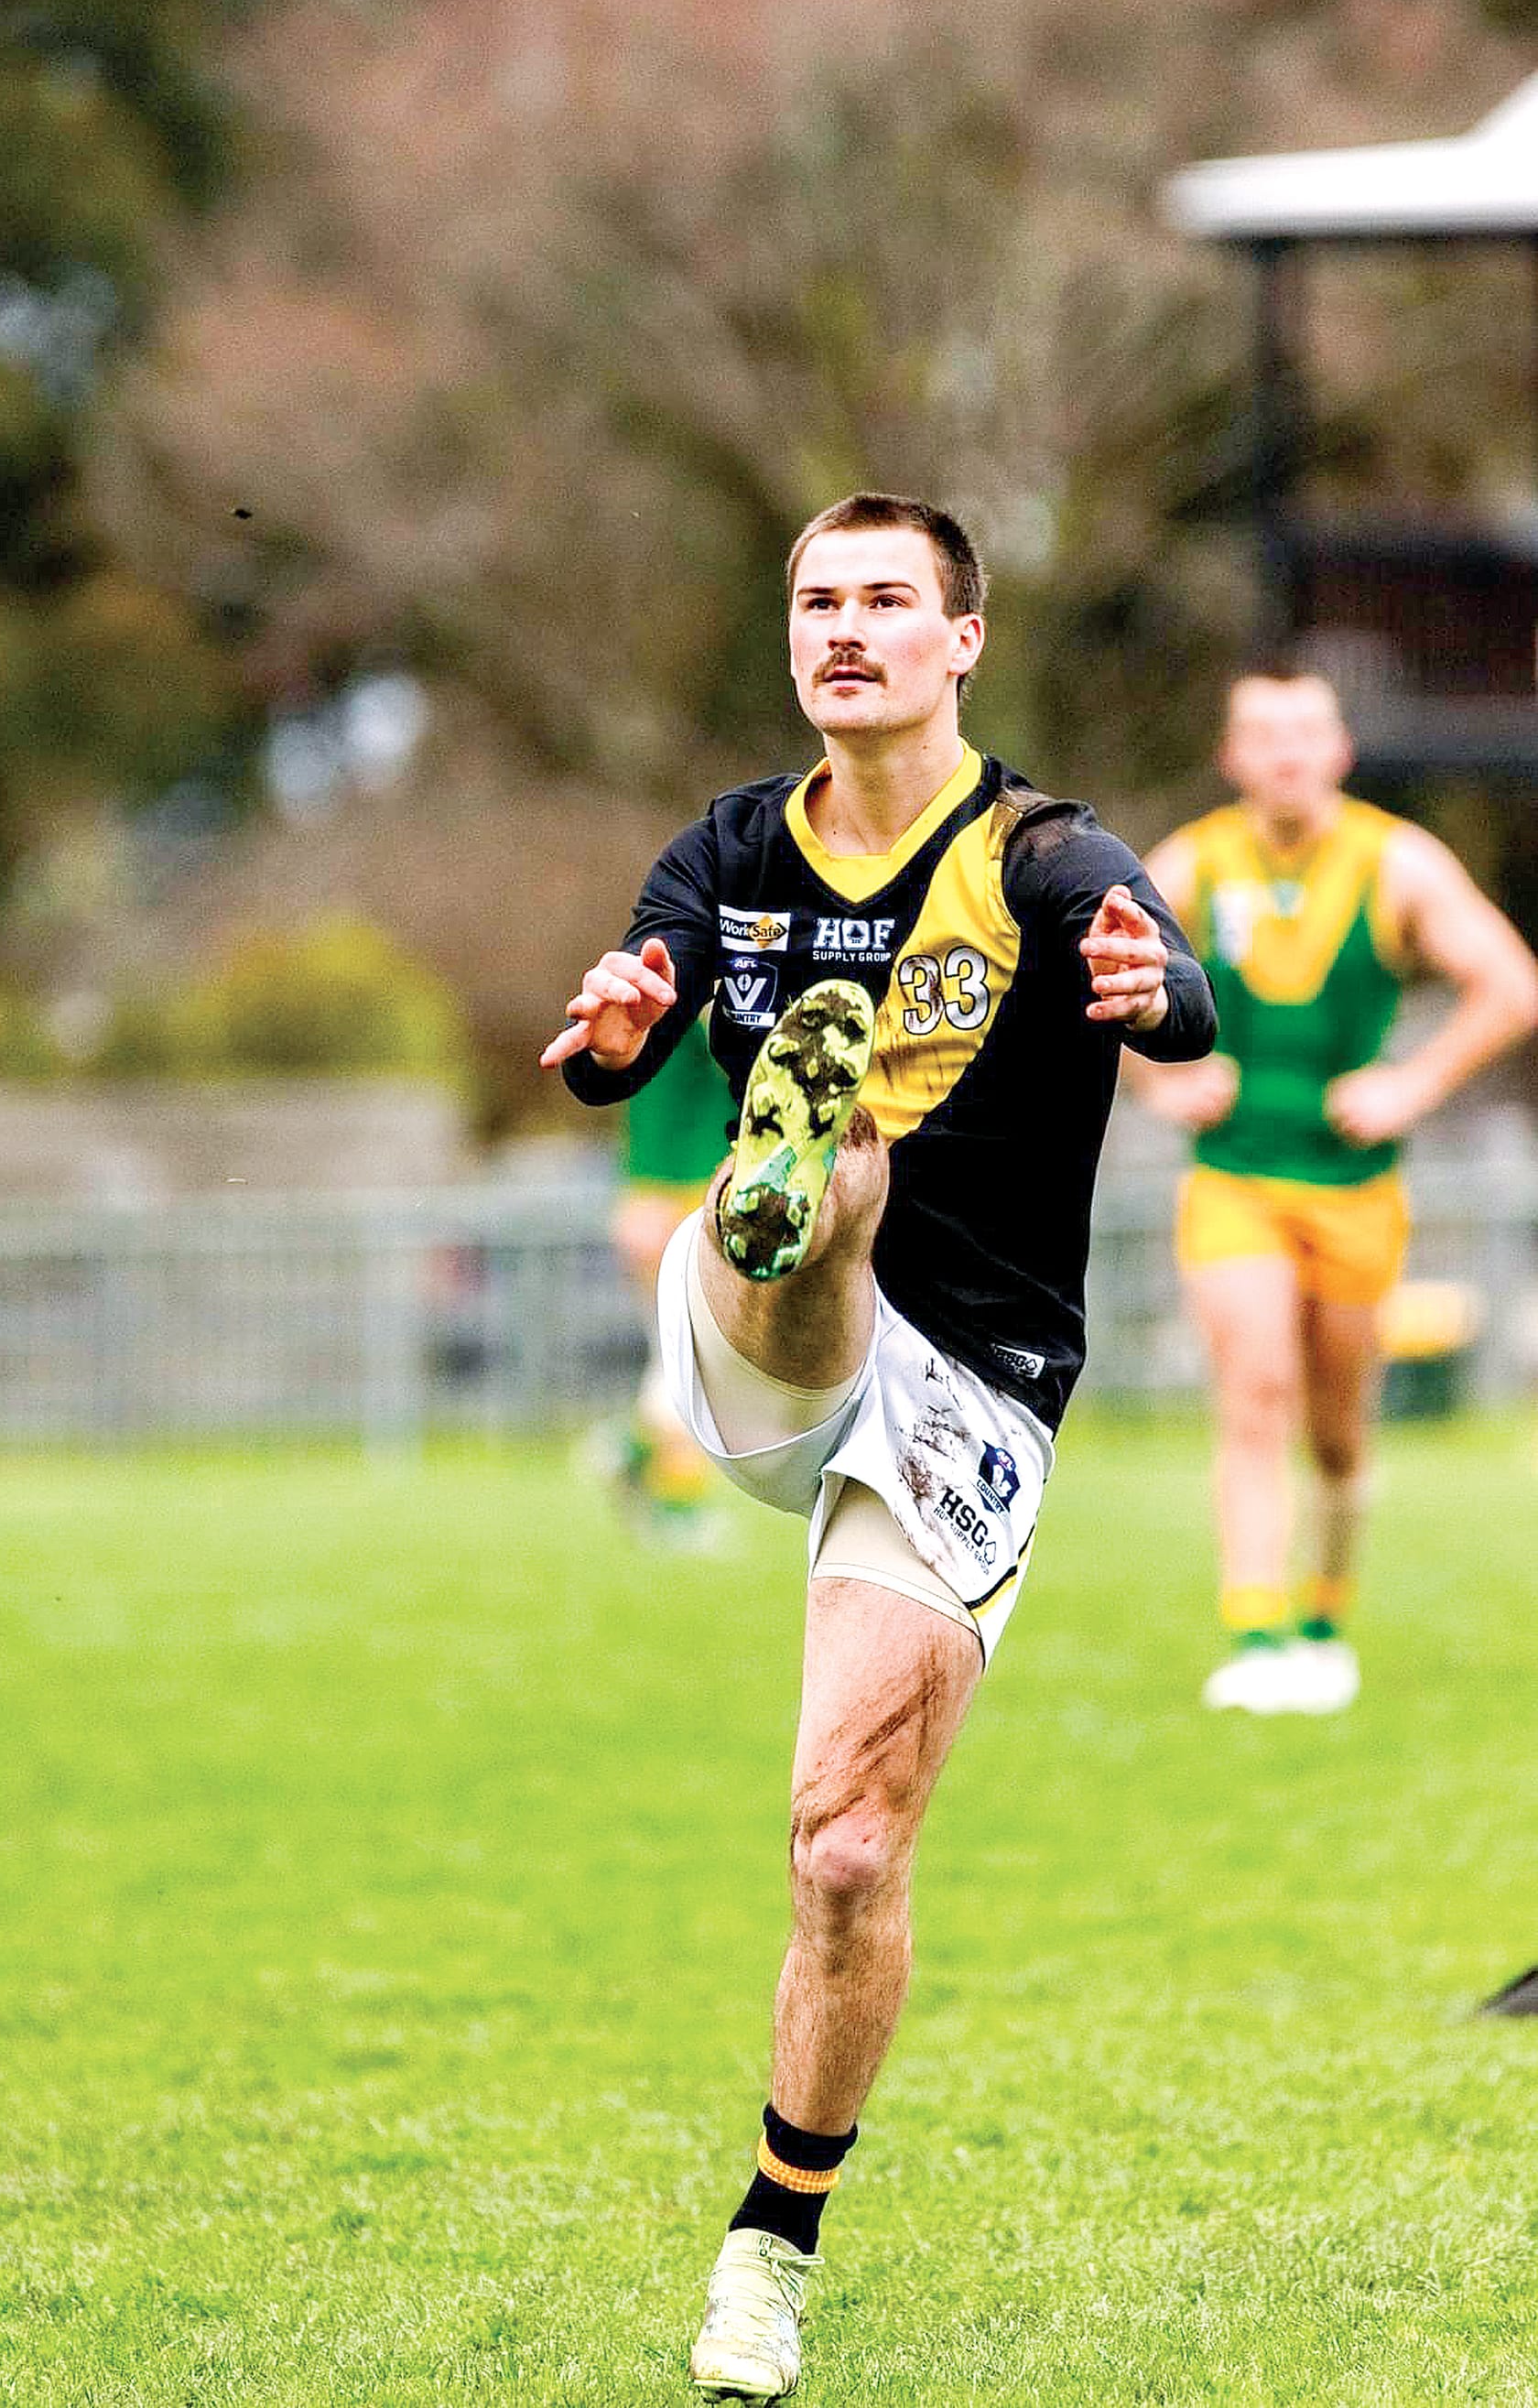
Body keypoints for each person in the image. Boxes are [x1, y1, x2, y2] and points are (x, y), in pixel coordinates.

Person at [540, 492, 1217, 2403]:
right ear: (792, 640)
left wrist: (1152, 990)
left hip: (971, 1388)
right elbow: (612, 1041)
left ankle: (768, 2256)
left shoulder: (1049, 854)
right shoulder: (732, 853)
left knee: (842, 1850)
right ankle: (800, 1185)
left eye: (886, 601)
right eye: (817, 600)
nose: (847, 628)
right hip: (766, 1328)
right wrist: (613, 1027)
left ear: (962, 639)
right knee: (834, 1171)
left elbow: (1183, 999)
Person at [1126, 671, 1538, 1717]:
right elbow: (1086, 985)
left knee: (1337, 1429)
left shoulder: (1395, 861)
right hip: (1233, 1177)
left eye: (1305, 732)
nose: (1284, 753)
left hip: (1354, 1186)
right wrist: (1159, 1076)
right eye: (1260, 735)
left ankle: (1321, 1615)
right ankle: (1254, 1628)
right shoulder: (1189, 863)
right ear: (1230, 757)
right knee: (1253, 1388)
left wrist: (1412, 1083)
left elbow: (1509, 986)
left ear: (1339, 751)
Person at [601, 1014, 734, 1546]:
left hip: (684, 1189)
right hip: (679, 1194)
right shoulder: (693, 986)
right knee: (693, 1361)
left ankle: (628, 1451)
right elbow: (655, 1093)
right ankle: (676, 1504)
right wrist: (644, 1186)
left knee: (686, 1359)